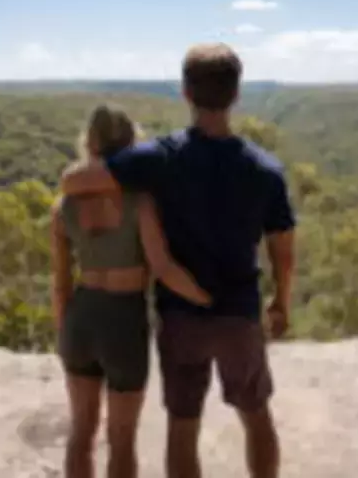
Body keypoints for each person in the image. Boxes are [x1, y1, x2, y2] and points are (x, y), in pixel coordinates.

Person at [61, 44, 296, 478]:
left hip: (181, 317)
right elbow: (282, 249)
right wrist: (281, 301)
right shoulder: (266, 169)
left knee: (183, 428)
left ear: (185, 92)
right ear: (236, 93)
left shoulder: (160, 157)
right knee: (256, 415)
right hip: (239, 314)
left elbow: (73, 182)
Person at [51, 103, 212, 478]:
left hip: (80, 318)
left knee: (81, 432)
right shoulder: (139, 200)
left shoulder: (64, 206)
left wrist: (64, 333)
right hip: (123, 321)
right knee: (122, 441)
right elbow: (163, 267)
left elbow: (61, 283)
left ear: (89, 142)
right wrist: (206, 298)